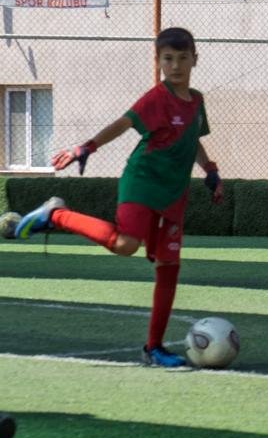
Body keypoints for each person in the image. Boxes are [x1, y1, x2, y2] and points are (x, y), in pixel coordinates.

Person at [17, 27, 225, 368]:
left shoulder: (198, 101)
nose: (175, 66)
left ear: (195, 60)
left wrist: (211, 171)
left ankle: (153, 348)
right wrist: (87, 147)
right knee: (126, 244)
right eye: (168, 59)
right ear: (157, 61)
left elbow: (193, 139)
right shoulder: (156, 98)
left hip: (173, 193)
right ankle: (56, 215)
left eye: (182, 58)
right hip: (142, 181)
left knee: (170, 267)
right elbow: (124, 123)